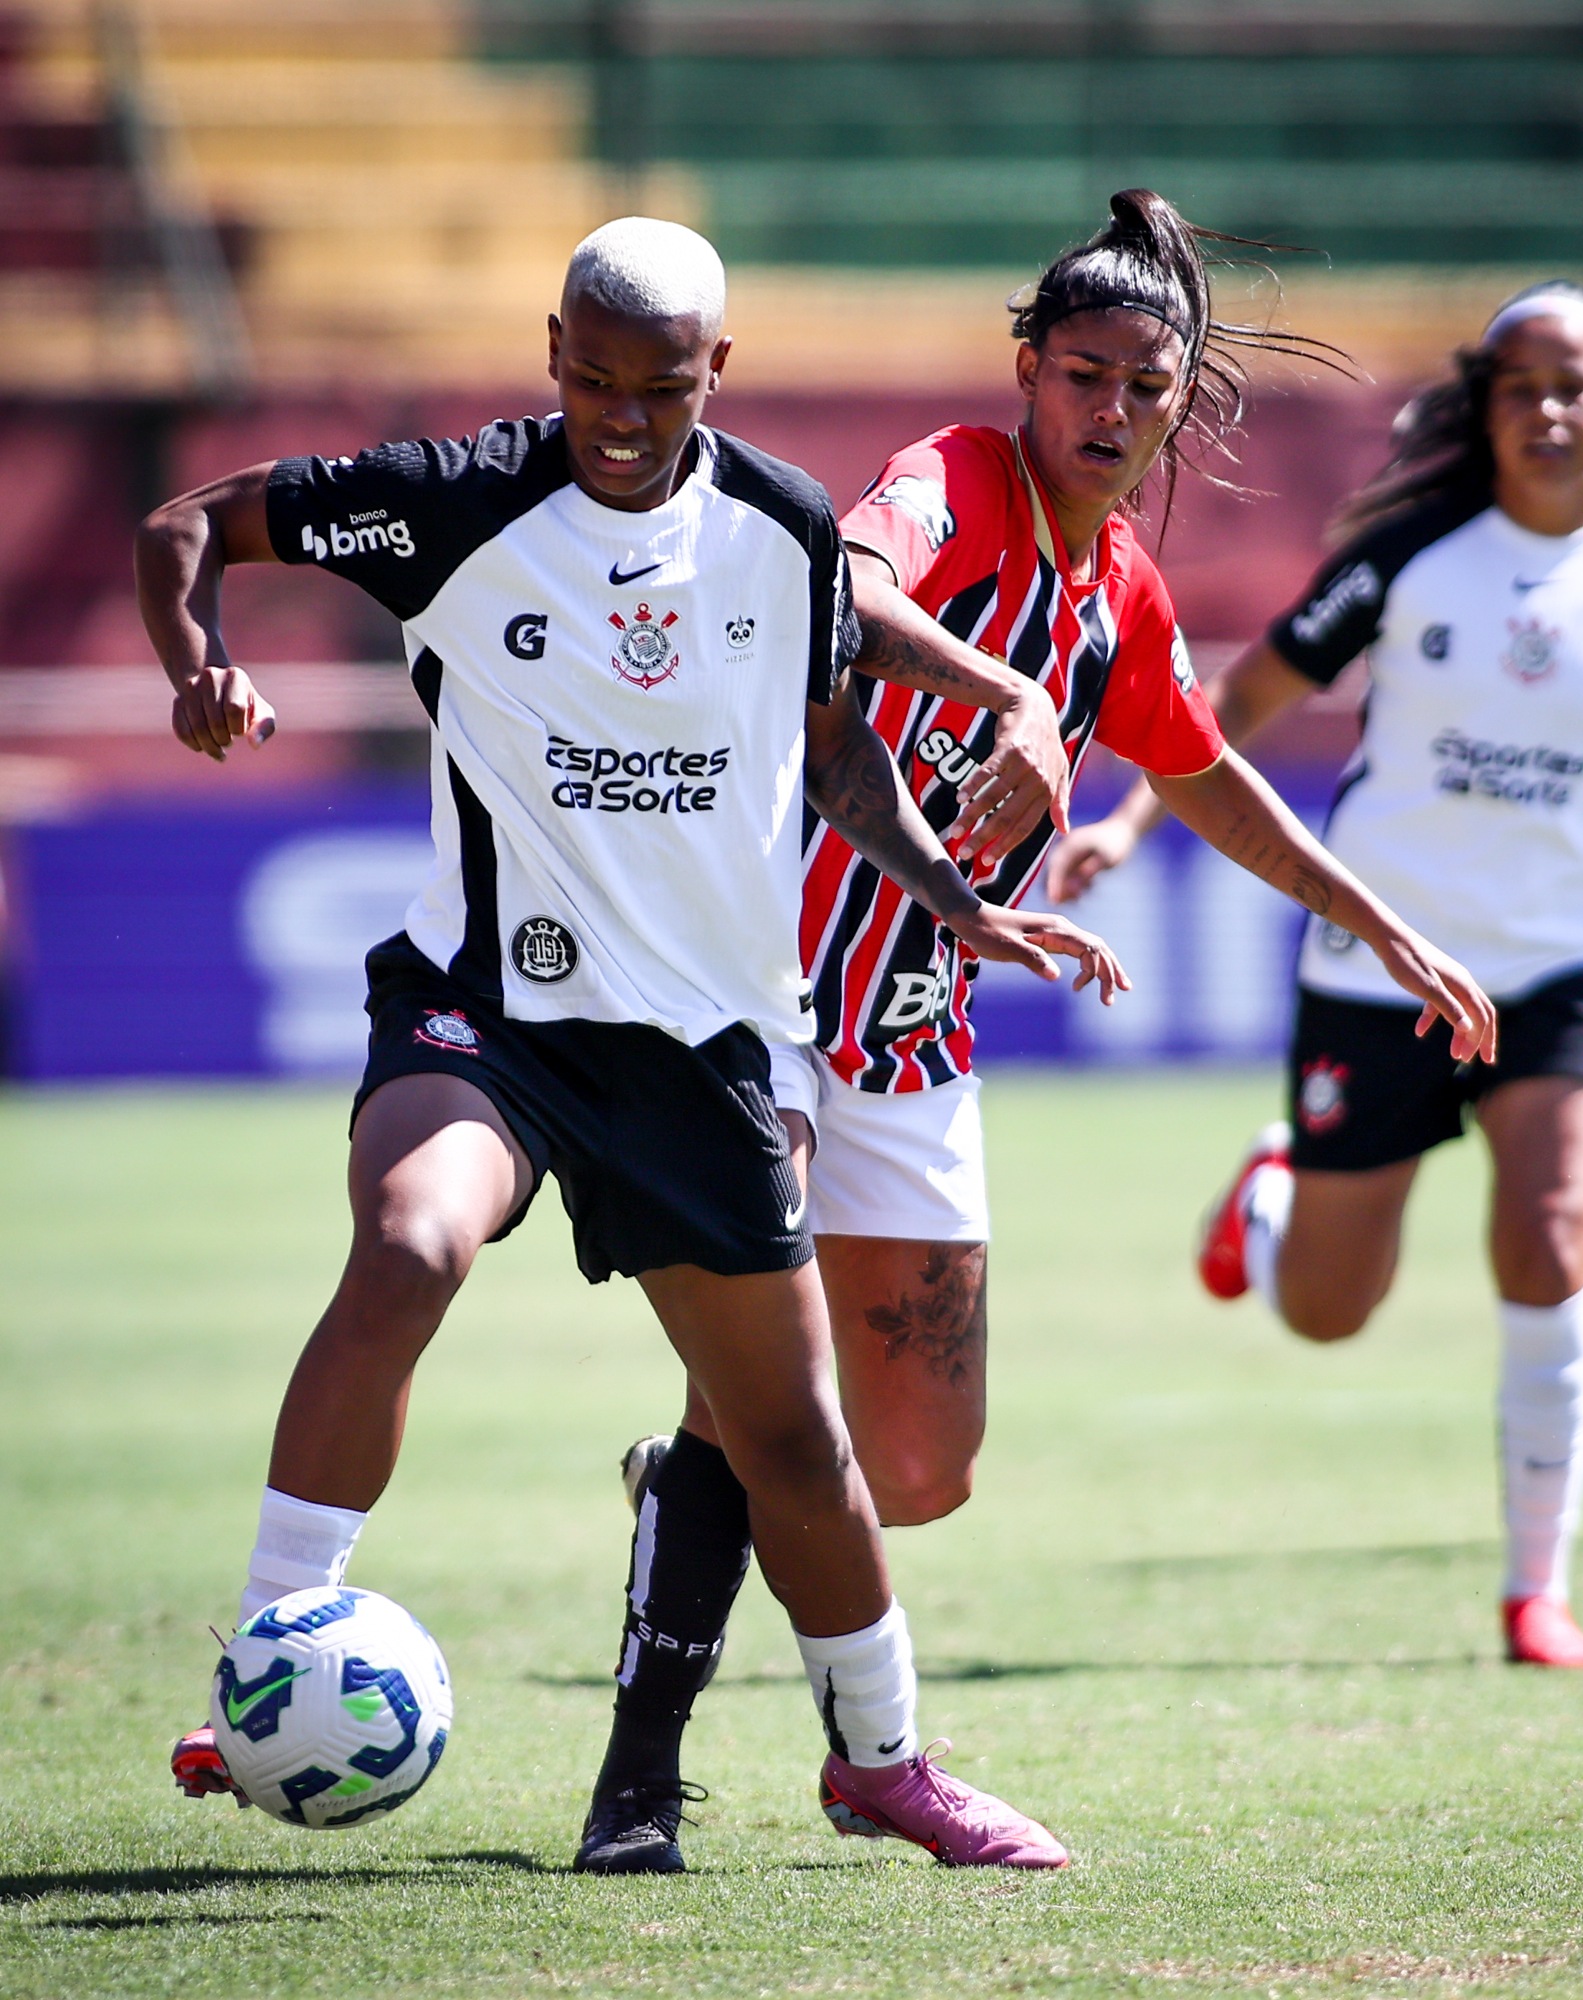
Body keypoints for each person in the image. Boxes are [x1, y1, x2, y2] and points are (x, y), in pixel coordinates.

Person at [139, 218, 1124, 1872]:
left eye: (658, 389)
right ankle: (264, 1661)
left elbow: (836, 757)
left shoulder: (780, 526)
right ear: (552, 353)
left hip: (703, 1042)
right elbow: (187, 526)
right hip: (487, 1013)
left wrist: (959, 903)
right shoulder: (453, 502)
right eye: (591, 379)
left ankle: (884, 1765)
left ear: (714, 373)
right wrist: (199, 664)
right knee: (411, 1244)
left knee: (791, 1439)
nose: (619, 416)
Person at [594, 189, 1499, 1832]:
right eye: (1081, 376)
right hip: (754, 998)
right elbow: (842, 588)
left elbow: (1203, 779)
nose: (1108, 411)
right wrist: (1003, 688)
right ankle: (661, 1777)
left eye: (1144, 389)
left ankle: (699, 1493)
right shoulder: (951, 483)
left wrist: (1382, 925)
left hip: (911, 1030)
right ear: (1026, 368)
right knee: (764, 1400)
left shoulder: (1121, 590)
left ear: (1177, 403)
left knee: (918, 1467)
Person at [1052, 282, 1583, 1670]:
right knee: (1328, 1312)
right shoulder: (1409, 559)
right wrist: (1132, 821)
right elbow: (1233, 701)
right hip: (1377, 962)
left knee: (1551, 1236)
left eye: (1572, 385)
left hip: (1561, 966)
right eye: (1519, 387)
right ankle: (1272, 1195)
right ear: (1486, 408)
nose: (1547, 409)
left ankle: (1535, 1588)